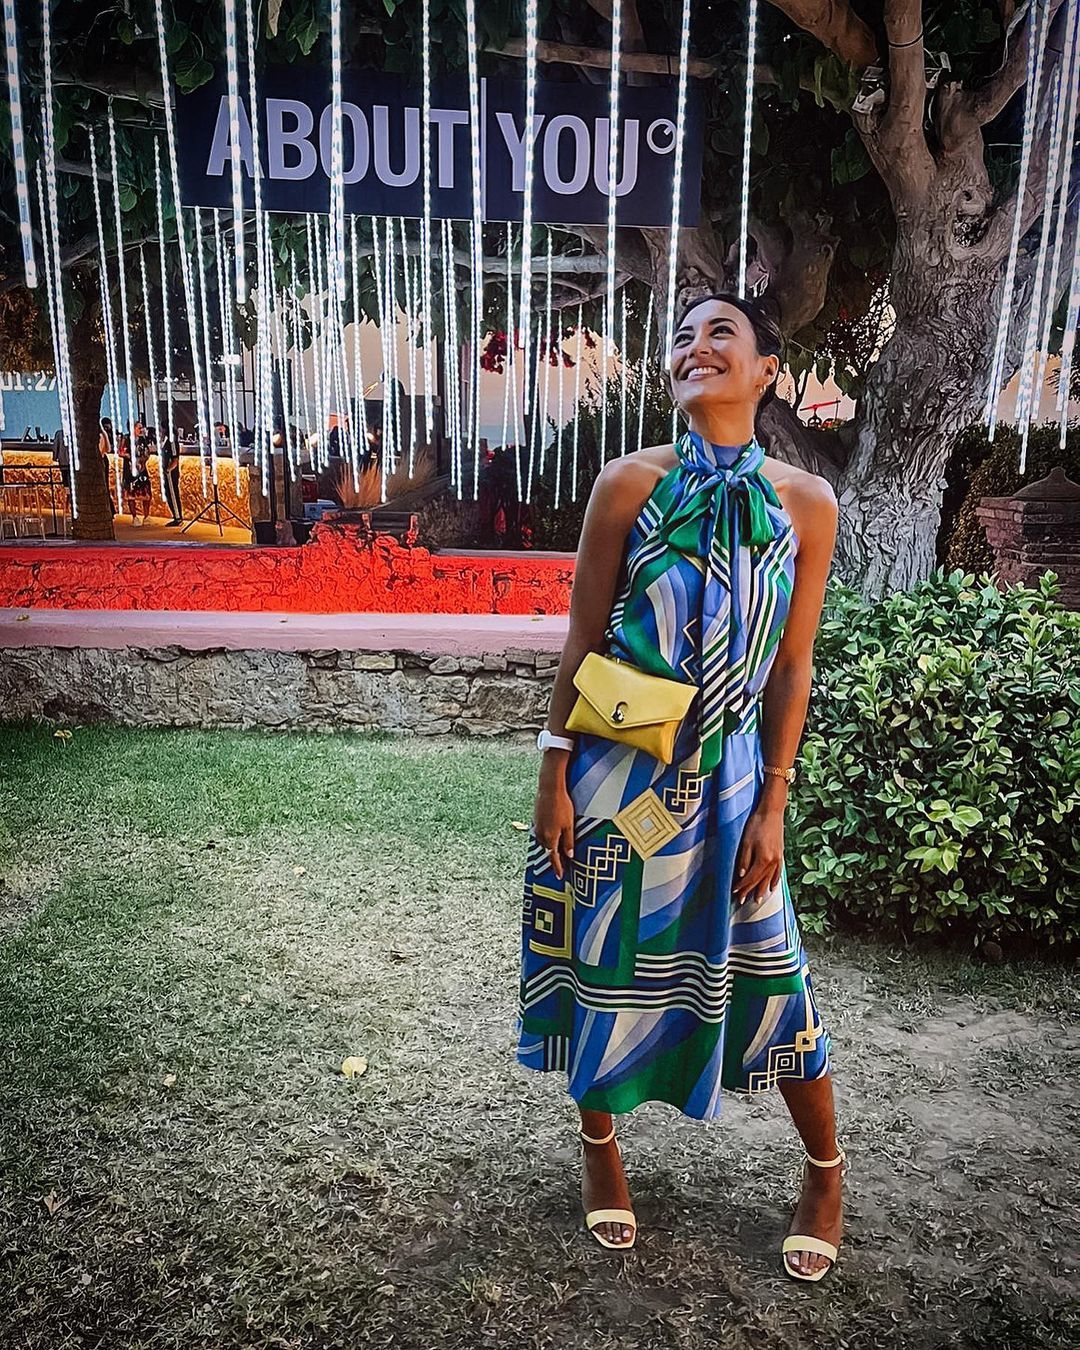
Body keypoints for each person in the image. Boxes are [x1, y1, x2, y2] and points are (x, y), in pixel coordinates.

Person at [516, 293, 844, 1281]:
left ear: (768, 370)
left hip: (735, 784)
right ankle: (601, 1151)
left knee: (774, 974)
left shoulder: (805, 503)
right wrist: (554, 771)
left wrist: (775, 802)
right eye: (682, 336)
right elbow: (583, 640)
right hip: (619, 774)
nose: (695, 348)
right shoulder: (630, 484)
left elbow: (793, 666)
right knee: (602, 962)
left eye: (720, 334)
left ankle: (826, 1173)